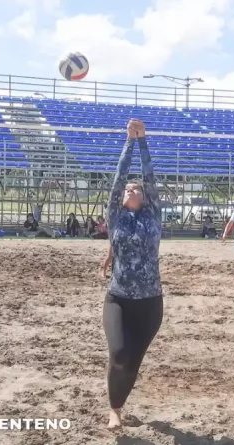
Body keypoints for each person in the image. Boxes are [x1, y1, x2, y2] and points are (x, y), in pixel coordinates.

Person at [99, 118, 163, 429]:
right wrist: (129, 142)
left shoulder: (153, 214)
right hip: (119, 298)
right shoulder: (115, 216)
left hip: (151, 302)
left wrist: (143, 141)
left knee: (133, 361)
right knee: (120, 354)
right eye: (128, 188)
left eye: (135, 187)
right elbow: (118, 179)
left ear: (145, 196)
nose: (131, 188)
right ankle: (114, 410)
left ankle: (120, 405)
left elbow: (149, 176)